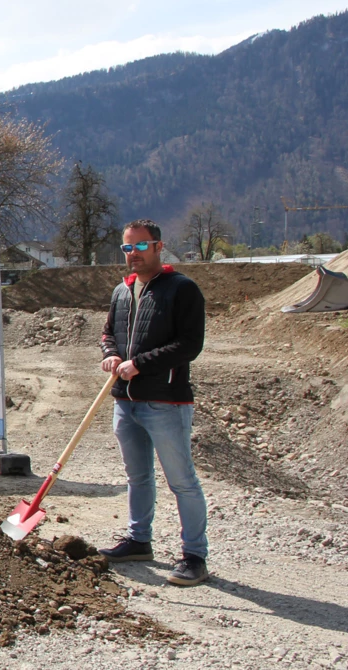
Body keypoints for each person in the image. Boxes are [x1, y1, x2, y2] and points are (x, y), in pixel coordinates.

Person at [97, 219, 209, 587]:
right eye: (128, 248)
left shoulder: (182, 290)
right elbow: (108, 333)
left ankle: (194, 556)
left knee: (182, 481)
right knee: (137, 477)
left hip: (166, 402)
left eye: (141, 247)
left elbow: (189, 345)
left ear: (158, 247)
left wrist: (140, 364)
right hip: (125, 403)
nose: (133, 255)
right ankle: (139, 540)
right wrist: (111, 355)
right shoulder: (121, 291)